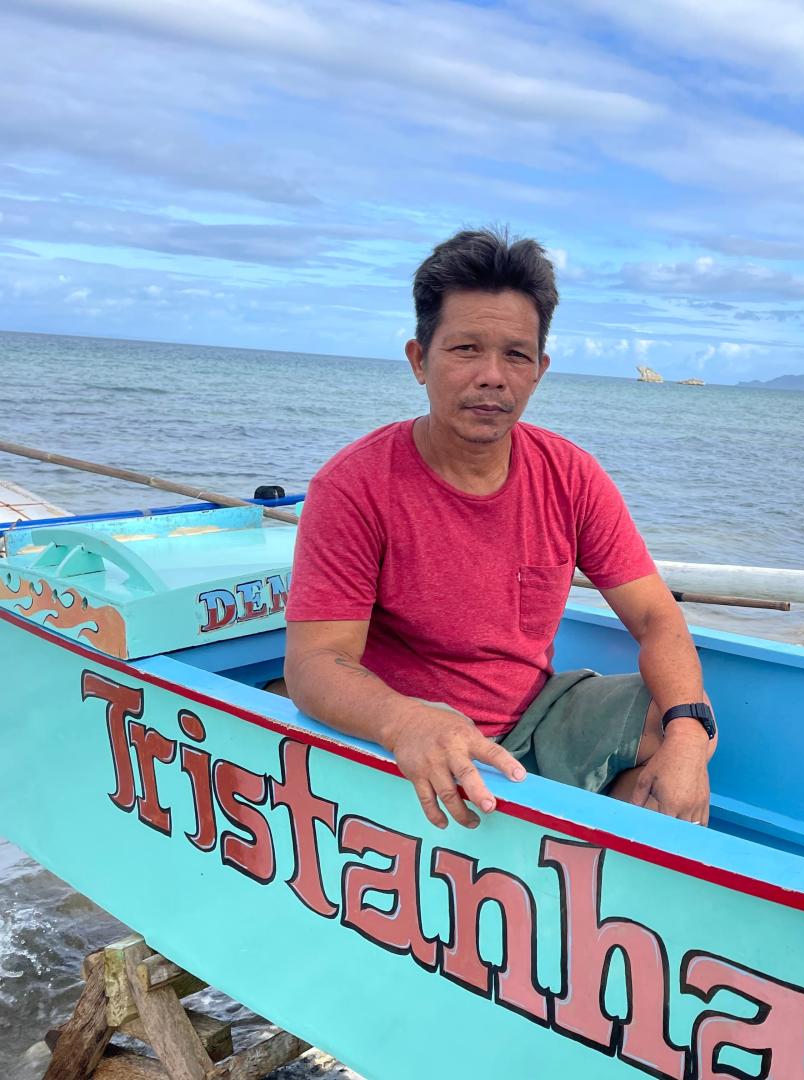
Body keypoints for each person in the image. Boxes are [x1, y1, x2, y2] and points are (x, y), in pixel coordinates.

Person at [282, 228, 715, 829]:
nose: (492, 376)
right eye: (465, 349)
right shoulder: (354, 486)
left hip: (534, 714)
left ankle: (593, 882)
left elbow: (655, 616)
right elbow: (315, 663)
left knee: (678, 713)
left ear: (539, 370)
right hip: (410, 732)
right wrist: (404, 720)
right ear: (419, 360)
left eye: (515, 354)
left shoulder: (570, 475)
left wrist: (689, 739)